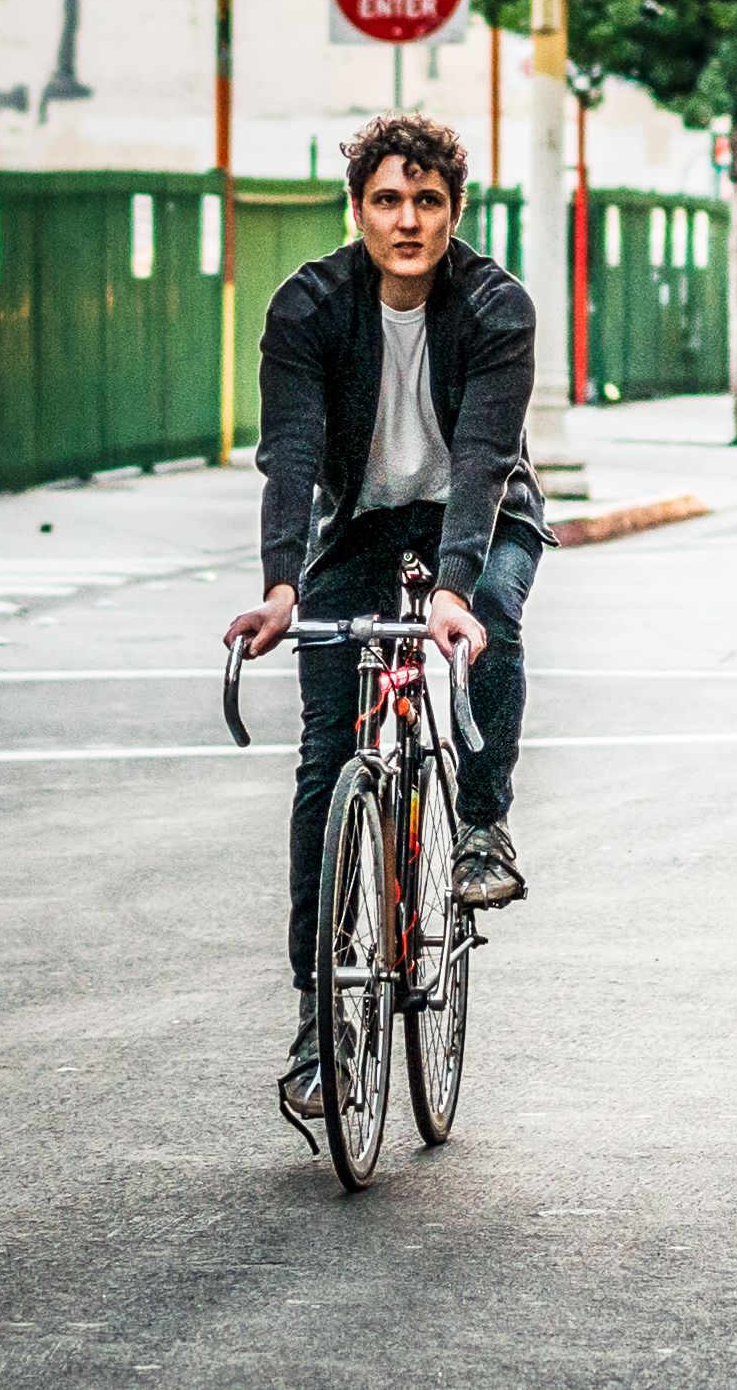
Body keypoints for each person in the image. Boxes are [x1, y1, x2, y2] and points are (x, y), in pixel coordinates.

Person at [223, 113, 550, 1125]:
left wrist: (452, 585)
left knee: (487, 609)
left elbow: (486, 459)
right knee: (327, 754)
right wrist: (281, 582)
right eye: (387, 199)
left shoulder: (495, 307)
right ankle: (320, 1018)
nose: (407, 219)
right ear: (357, 207)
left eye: (427, 200)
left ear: (454, 210)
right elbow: (287, 451)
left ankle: (484, 825)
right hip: (358, 525)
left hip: (480, 517)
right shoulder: (310, 305)